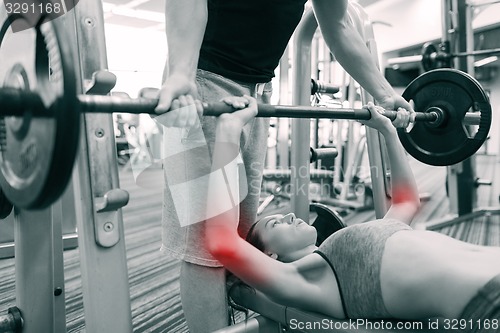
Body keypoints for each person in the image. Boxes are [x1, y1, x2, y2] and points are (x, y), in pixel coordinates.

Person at [155, 1, 415, 331]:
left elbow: (337, 25)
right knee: (208, 249)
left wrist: (384, 94)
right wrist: (181, 72)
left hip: (258, 90)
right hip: (201, 81)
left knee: (235, 237)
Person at [204, 97, 500, 332]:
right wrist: (228, 131)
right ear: (270, 257)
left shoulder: (339, 250)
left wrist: (387, 131)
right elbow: (221, 241)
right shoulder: (305, 280)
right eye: (274, 224)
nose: (288, 216)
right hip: (487, 302)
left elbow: (406, 200)